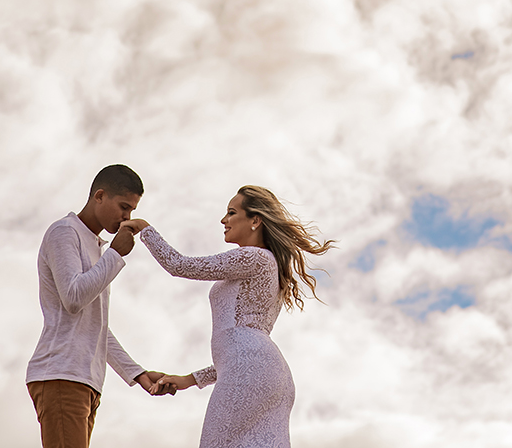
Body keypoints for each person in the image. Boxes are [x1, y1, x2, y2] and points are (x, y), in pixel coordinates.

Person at [123, 185, 334, 448]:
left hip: (251, 369)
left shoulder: (253, 257)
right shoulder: (271, 267)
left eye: (231, 213)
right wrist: (190, 379)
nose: (223, 220)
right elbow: (239, 348)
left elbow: (180, 265)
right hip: (271, 375)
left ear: (255, 220)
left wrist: (144, 229)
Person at [25, 164, 169, 448]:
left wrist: (137, 373)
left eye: (132, 210)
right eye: (123, 206)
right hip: (60, 373)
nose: (127, 217)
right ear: (99, 196)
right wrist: (116, 253)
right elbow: (74, 298)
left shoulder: (96, 246)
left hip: (85, 381)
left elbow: (97, 326)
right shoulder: (64, 232)